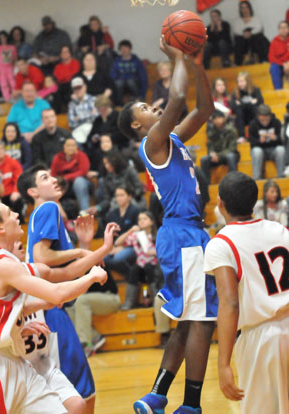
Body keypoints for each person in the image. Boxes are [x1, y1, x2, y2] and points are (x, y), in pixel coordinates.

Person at [117, 35, 217, 414]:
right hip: (183, 233)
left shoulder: (171, 139)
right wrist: (177, 56)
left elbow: (204, 108)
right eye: (144, 107)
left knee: (188, 323)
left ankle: (157, 396)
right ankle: (190, 406)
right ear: (136, 125)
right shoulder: (152, 144)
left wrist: (197, 64)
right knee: (202, 321)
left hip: (188, 233)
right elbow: (177, 99)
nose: (152, 107)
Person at [0, 196, 108, 414]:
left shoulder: (4, 262)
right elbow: (56, 294)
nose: (17, 215)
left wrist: (14, 324)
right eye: (10, 214)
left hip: (16, 361)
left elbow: (54, 275)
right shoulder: (0, 265)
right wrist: (91, 276)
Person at [17, 164, 120, 414]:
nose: (53, 179)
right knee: (81, 392)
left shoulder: (45, 215)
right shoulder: (48, 208)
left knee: (67, 391)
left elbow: (64, 271)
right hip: (50, 310)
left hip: (48, 307)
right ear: (33, 191)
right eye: (44, 177)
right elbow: (42, 259)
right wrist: (83, 250)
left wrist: (87, 245)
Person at [204, 171, 289, 414]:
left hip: (262, 338)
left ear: (220, 203)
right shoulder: (280, 230)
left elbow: (229, 303)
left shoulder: (221, 243)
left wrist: (223, 364)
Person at [71, 269, 120, 357]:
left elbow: (81, 290)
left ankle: (86, 345)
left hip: (110, 298)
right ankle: (95, 337)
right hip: (93, 300)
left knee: (81, 300)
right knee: (67, 308)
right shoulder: (75, 263)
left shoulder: (93, 262)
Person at [116, 211, 158, 310]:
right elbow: (117, 243)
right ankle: (129, 302)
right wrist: (130, 231)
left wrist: (155, 252)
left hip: (155, 268)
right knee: (134, 269)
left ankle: (157, 299)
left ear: (151, 222)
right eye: (139, 219)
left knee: (149, 267)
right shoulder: (136, 236)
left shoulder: (158, 235)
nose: (141, 221)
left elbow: (166, 250)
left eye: (145, 219)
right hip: (141, 267)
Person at [50, 137, 91, 212]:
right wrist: (62, 180)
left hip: (80, 183)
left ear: (76, 147)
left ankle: (84, 212)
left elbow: (83, 171)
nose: (70, 148)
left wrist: (66, 177)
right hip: (63, 184)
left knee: (79, 181)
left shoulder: (82, 155)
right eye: (68, 145)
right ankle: (55, 212)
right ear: (64, 147)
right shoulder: (57, 157)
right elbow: (53, 173)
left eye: (73, 145)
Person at [0, 140, 25, 223]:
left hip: (10, 193)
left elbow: (19, 179)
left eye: (1, 149)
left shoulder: (12, 162)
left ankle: (20, 223)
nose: (0, 151)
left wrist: (16, 191)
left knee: (18, 200)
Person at [200, 110, 238, 184]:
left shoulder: (231, 130)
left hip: (227, 154)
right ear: (213, 121)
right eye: (215, 119)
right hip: (216, 158)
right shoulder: (211, 132)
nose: (217, 121)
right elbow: (210, 146)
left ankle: (234, 181)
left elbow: (232, 148)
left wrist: (218, 155)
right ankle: (206, 184)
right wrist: (211, 153)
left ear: (224, 119)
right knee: (204, 159)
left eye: (219, 118)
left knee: (230, 156)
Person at [249, 104, 285, 179]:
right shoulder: (253, 124)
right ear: (258, 116)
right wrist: (259, 141)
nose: (265, 122)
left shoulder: (276, 122)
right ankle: (257, 178)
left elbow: (282, 140)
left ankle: (281, 176)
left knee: (281, 150)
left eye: (267, 119)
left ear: (270, 116)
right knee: (257, 151)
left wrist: (275, 138)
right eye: (262, 120)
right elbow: (252, 143)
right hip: (260, 150)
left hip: (273, 150)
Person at [111, 39, 148, 106]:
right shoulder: (116, 62)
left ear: (130, 49)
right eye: (122, 48)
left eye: (126, 48)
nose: (124, 50)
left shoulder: (136, 61)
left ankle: (135, 100)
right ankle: (119, 104)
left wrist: (142, 94)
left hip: (134, 85)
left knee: (130, 81)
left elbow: (143, 77)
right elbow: (113, 76)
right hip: (121, 86)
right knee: (118, 82)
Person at [233, 1, 269, 66]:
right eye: (242, 8)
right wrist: (243, 34)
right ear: (240, 10)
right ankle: (237, 63)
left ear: (250, 8)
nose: (245, 10)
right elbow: (236, 30)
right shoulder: (237, 21)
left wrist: (250, 33)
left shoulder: (256, 19)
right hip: (243, 43)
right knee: (238, 39)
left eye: (246, 7)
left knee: (260, 37)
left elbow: (259, 28)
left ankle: (264, 60)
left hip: (254, 42)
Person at [230, 71, 264, 141]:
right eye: (238, 82)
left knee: (255, 109)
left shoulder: (255, 90)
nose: (239, 84)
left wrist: (241, 104)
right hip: (242, 117)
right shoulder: (235, 92)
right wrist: (251, 103)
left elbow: (260, 103)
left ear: (248, 81)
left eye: (242, 81)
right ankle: (241, 136)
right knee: (238, 112)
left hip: (253, 115)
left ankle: (256, 134)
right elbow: (233, 107)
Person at [68, 77, 98, 144]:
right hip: (79, 131)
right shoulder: (71, 104)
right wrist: (90, 114)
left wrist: (79, 118)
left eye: (79, 88)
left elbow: (97, 118)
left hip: (93, 129)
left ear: (85, 87)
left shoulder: (93, 100)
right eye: (75, 88)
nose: (77, 90)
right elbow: (71, 124)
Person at [0, 30, 16, 101]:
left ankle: (15, 97)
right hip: (1, 68)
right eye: (1, 38)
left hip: (10, 67)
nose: (3, 39)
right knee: (4, 84)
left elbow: (15, 58)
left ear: (7, 37)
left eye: (4, 37)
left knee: (13, 83)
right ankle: (7, 99)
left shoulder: (12, 47)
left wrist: (15, 67)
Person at [268, 21, 289, 90]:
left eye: (285, 27)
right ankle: (278, 92)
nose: (283, 29)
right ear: (279, 30)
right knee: (273, 68)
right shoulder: (274, 41)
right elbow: (271, 58)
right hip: (280, 64)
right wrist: (283, 64)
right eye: (281, 28)